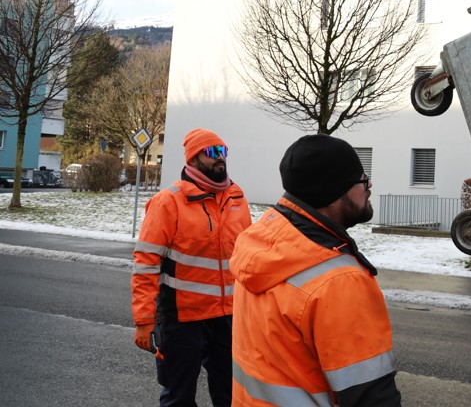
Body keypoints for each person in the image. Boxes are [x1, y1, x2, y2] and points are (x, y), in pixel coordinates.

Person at [229, 134, 401, 406]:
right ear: (334, 191)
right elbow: (371, 398)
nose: (369, 185)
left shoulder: (260, 243)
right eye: (362, 178)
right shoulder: (340, 281)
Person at [132, 128, 253, 407]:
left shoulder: (237, 199)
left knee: (232, 396)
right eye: (212, 152)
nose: (220, 158)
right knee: (179, 398)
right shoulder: (169, 202)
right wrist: (143, 320)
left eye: (223, 151)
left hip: (229, 318)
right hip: (182, 320)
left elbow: (249, 259)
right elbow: (146, 264)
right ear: (194, 159)